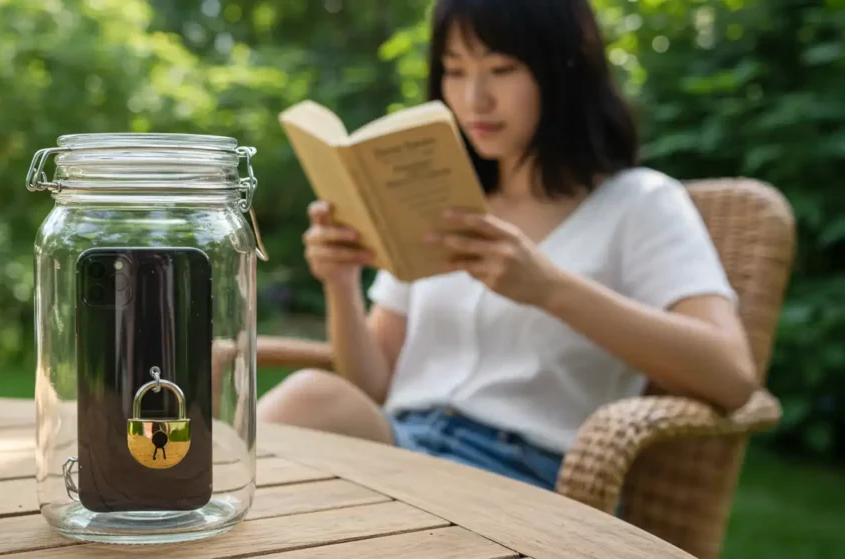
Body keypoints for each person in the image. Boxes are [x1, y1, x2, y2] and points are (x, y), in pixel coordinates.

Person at [258, 0, 759, 491]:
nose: (475, 98)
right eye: (455, 71)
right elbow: (371, 387)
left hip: (523, 474)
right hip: (402, 446)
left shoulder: (640, 204)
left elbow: (732, 376)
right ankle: (187, 510)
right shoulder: (436, 198)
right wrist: (341, 284)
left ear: (564, 71)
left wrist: (550, 289)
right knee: (314, 399)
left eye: (502, 69)